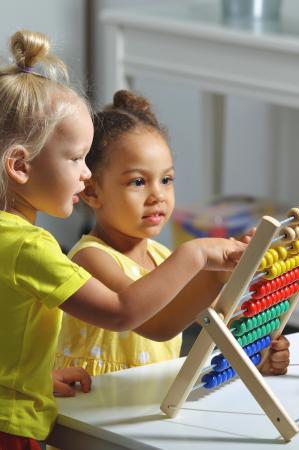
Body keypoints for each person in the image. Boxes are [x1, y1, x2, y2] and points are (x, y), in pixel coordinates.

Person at [0, 30, 248, 449]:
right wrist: (198, 251)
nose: (84, 173)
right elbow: (120, 312)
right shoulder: (29, 246)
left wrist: (32, 375)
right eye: (76, 158)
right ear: (21, 165)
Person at [55, 89, 290, 377]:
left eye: (166, 179)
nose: (158, 195)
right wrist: (201, 259)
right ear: (92, 191)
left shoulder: (162, 258)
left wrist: (256, 353)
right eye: (138, 182)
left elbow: (220, 322)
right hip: (94, 403)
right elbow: (159, 323)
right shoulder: (90, 259)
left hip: (150, 399)